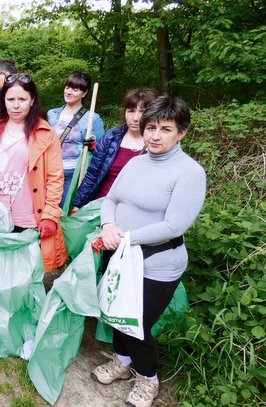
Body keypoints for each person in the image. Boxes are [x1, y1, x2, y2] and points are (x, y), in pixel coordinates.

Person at [93, 96, 206, 407]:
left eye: (165, 129)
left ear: (182, 132)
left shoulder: (189, 173)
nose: (155, 136)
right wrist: (108, 227)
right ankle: (122, 363)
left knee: (136, 323)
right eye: (150, 128)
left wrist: (126, 237)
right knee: (116, 314)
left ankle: (148, 379)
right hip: (120, 255)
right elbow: (111, 200)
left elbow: (174, 225)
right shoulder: (135, 162)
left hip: (157, 264)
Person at [0, 73, 68, 274]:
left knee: (24, 272)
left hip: (27, 216)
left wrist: (50, 215)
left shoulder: (45, 134)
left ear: (32, 100)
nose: (16, 105)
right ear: (3, 100)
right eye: (11, 99)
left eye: (22, 99)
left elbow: (55, 178)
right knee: (0, 268)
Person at [72, 88, 158, 211]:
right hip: (100, 207)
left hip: (134, 211)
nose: (135, 118)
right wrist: (77, 205)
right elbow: (93, 174)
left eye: (142, 111)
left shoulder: (156, 144)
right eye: (131, 111)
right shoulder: (111, 138)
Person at [46, 70, 105, 207]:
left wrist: (93, 144)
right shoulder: (52, 114)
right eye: (67, 87)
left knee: (65, 213)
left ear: (84, 93)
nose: (69, 92)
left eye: (75, 89)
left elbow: (101, 151)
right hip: (50, 172)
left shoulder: (92, 118)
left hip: (72, 175)